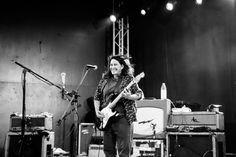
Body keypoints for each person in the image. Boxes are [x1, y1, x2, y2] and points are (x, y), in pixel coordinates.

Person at [94, 55, 144, 157]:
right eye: (111, 65)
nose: (112, 67)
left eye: (115, 64)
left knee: (124, 152)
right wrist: (97, 111)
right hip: (107, 118)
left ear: (122, 66)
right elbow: (96, 97)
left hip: (123, 118)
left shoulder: (128, 79)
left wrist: (129, 96)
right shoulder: (105, 79)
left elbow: (140, 95)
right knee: (108, 151)